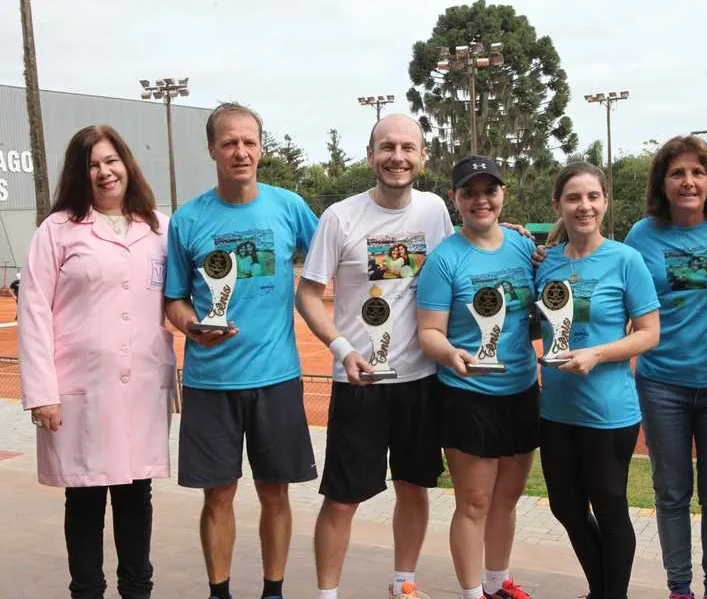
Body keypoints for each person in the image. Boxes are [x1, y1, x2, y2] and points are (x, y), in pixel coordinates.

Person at [164, 102, 319, 599]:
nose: (240, 151)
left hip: (276, 378)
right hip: (211, 383)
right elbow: (174, 298)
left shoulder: (289, 207)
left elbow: (338, 253)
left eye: (249, 141)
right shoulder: (188, 219)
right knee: (218, 497)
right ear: (212, 149)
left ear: (261, 148)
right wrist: (192, 327)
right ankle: (219, 593)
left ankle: (273, 591)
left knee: (276, 493)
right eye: (229, 142)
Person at [296, 114, 453, 599]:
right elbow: (308, 294)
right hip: (360, 383)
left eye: (407, 148)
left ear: (423, 157)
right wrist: (343, 350)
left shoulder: (435, 211)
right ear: (370, 156)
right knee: (342, 499)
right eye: (387, 147)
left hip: (420, 380)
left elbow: (459, 264)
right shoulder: (340, 217)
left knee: (414, 487)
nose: (397, 157)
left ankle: (404, 584)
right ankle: (327, 595)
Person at [17, 125, 175, 599]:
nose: (105, 172)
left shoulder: (159, 227)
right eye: (92, 165)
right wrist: (42, 393)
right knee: (85, 497)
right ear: (78, 173)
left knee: (136, 495)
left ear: (127, 163)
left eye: (111, 161)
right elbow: (34, 312)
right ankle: (86, 591)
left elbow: (180, 297)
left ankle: (137, 590)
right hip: (81, 390)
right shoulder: (57, 230)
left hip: (142, 385)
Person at [623, 136, 707, 599]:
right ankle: (679, 587)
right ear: (662, 183)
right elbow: (615, 286)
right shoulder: (642, 235)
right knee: (671, 493)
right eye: (677, 173)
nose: (688, 181)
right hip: (663, 385)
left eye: (697, 172)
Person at [417, 156, 540, 599]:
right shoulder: (444, 260)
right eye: (469, 192)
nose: (481, 200)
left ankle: (496, 583)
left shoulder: (523, 246)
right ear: (455, 199)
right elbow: (429, 331)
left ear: (503, 193)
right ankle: (472, 593)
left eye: (490, 190)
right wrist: (451, 354)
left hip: (521, 389)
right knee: (474, 502)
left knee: (507, 499)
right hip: (468, 394)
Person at [536, 162, 660, 599]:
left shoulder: (626, 260)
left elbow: (649, 332)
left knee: (609, 506)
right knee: (566, 508)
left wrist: (597, 354)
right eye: (573, 198)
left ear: (605, 202)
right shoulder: (546, 262)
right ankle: (600, 590)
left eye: (592, 197)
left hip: (608, 411)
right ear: (558, 205)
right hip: (555, 410)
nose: (584, 206)